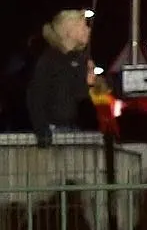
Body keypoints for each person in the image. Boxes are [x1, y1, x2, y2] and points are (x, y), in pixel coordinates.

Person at [22, 10, 100, 144]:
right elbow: (35, 96)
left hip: (75, 130)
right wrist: (42, 130)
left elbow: (80, 97)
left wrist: (90, 83)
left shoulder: (81, 60)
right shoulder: (49, 60)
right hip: (52, 131)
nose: (88, 30)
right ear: (68, 31)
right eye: (83, 26)